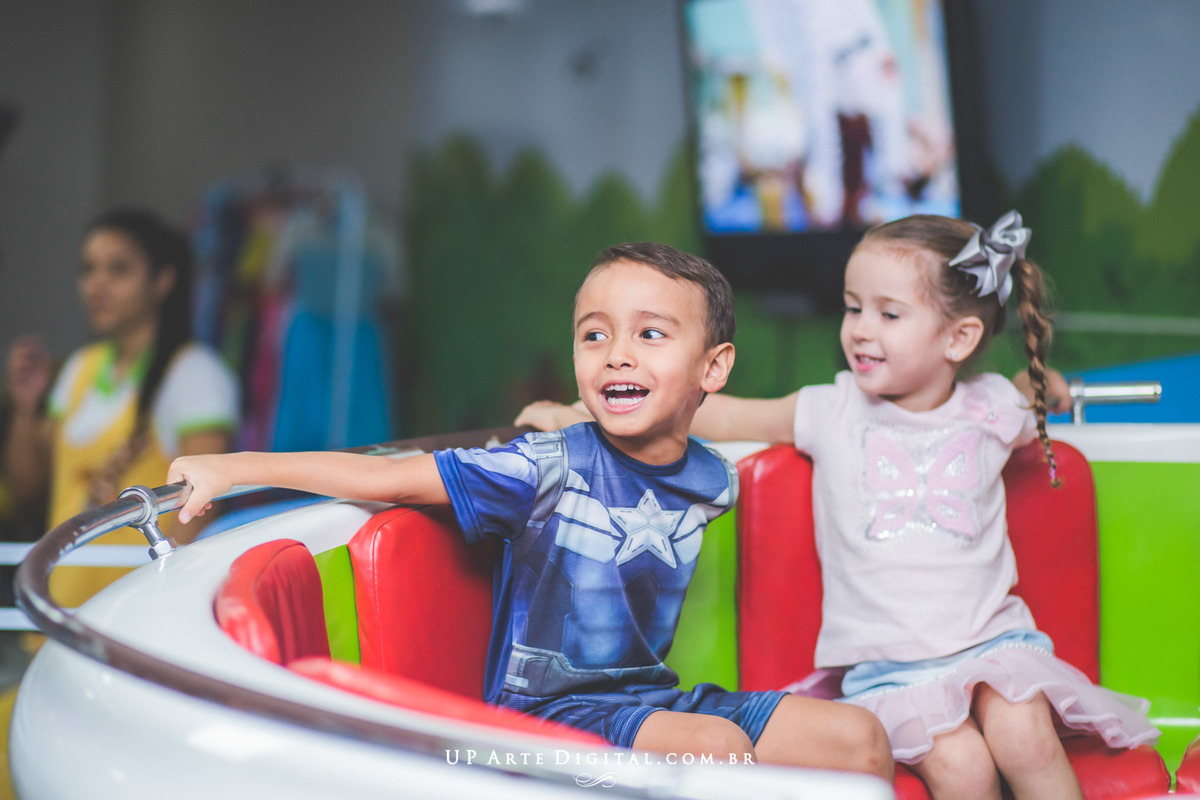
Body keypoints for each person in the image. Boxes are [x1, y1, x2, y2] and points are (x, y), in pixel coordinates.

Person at [169, 242, 893, 778]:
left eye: (649, 334)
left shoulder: (711, 479)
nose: (616, 354)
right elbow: (387, 478)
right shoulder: (543, 467)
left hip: (653, 700)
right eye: (594, 334)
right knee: (721, 752)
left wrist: (570, 411)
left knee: (859, 739)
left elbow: (651, 438)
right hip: (550, 716)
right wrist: (234, 469)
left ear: (713, 366)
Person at [516, 215, 1159, 798]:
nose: (860, 329)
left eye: (889, 314)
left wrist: (1046, 384)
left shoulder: (993, 406)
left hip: (994, 644)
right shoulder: (832, 408)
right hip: (892, 674)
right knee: (963, 767)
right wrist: (580, 413)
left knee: (1025, 737)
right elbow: (715, 411)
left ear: (959, 338)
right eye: (853, 308)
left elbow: (1031, 391)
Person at [3, 208, 239, 608]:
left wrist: (157, 606)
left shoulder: (194, 374)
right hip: (58, 606)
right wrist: (25, 409)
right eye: (88, 269)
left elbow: (202, 511)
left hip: (132, 615)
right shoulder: (80, 367)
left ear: (162, 280)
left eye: (119, 269)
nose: (98, 283)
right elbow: (27, 487)